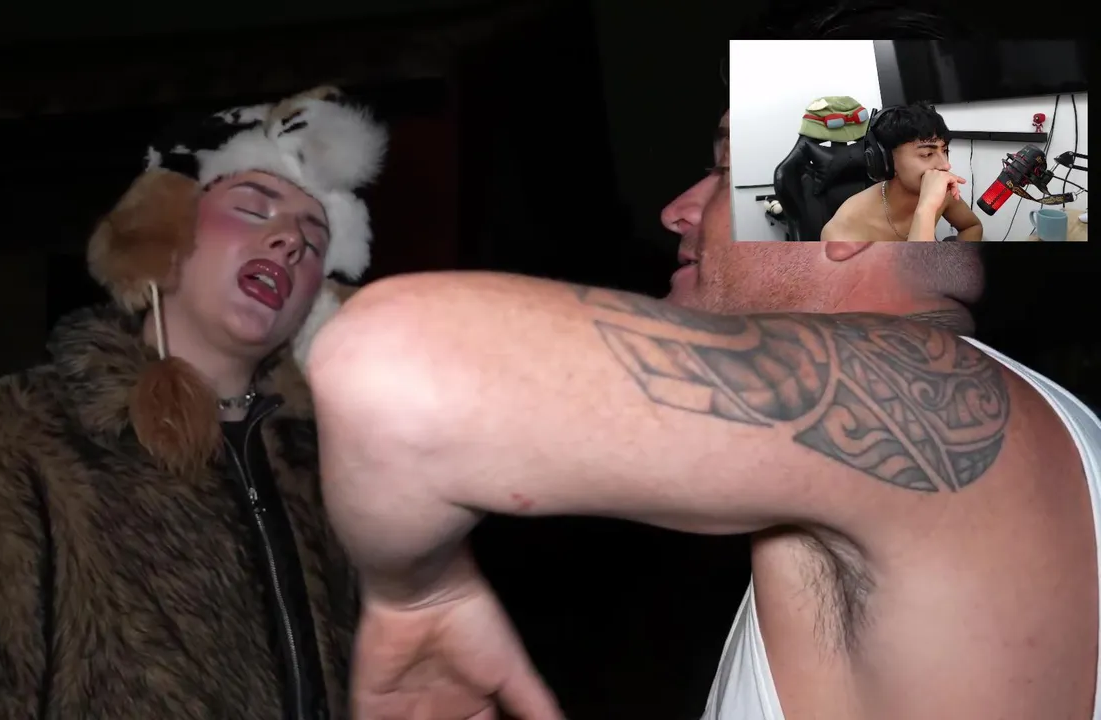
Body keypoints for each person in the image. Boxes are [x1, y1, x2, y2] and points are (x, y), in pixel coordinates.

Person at [301, 113, 1101, 720]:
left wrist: (417, 594)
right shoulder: (1013, 434)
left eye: (724, 170)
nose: (677, 210)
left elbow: (391, 365)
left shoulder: (937, 404)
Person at [0, 86, 387, 720]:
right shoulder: (7, 439)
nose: (290, 239)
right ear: (165, 232)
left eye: (315, 241)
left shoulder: (334, 477)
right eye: (253, 208)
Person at [823, 102, 984, 242]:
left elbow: (972, 227)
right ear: (886, 161)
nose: (946, 165)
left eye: (945, 150)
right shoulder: (845, 228)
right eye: (927, 154)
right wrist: (927, 208)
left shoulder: (941, 191)